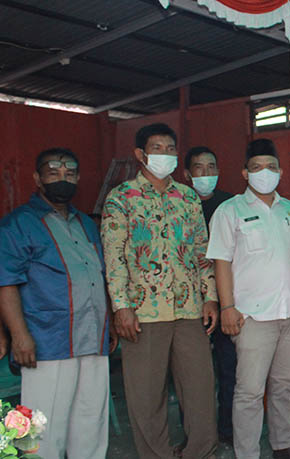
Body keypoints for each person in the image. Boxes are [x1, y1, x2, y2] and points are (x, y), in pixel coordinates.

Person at [101, 123, 218, 459]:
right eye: (157, 148)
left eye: (170, 149)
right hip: (143, 312)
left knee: (200, 390)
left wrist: (210, 296)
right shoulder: (121, 198)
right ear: (140, 154)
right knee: (146, 396)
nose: (165, 154)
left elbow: (202, 250)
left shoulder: (188, 197)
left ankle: (200, 453)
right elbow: (114, 256)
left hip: (189, 309)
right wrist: (121, 306)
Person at [0, 148, 114, 459]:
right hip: (47, 340)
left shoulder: (86, 224)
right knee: (44, 423)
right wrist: (19, 335)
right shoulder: (18, 224)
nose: (63, 179)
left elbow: (98, 276)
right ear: (37, 179)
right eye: (54, 173)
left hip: (92, 335)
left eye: (69, 173)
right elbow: (6, 283)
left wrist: (110, 323)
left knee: (91, 419)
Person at [207, 139, 290, 459]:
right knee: (250, 392)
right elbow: (221, 263)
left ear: (280, 172)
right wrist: (227, 307)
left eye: (270, 167)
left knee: (285, 385)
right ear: (245, 173)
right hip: (251, 317)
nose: (264, 173)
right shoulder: (229, 211)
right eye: (256, 168)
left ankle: (284, 445)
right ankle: (247, 453)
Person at [185, 145, 236, 444]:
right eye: (199, 168)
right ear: (187, 173)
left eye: (211, 167)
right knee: (192, 375)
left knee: (230, 369)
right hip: (191, 303)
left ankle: (228, 430)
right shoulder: (179, 205)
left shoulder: (230, 205)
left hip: (227, 300)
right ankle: (196, 435)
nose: (206, 173)